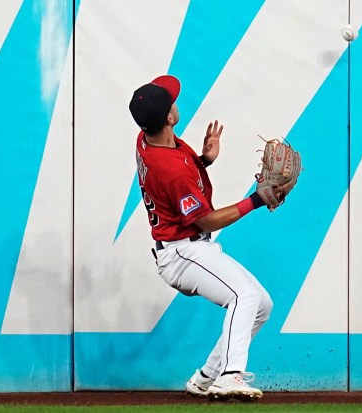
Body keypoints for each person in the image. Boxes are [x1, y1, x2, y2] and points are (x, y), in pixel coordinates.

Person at [128, 75, 283, 401]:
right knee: (244, 297)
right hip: (182, 253)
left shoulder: (148, 138)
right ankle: (230, 376)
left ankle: (204, 379)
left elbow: (177, 178)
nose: (175, 100)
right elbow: (204, 220)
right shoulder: (170, 168)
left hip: (188, 247)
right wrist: (256, 199)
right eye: (171, 101)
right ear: (169, 118)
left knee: (261, 305)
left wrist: (203, 161)